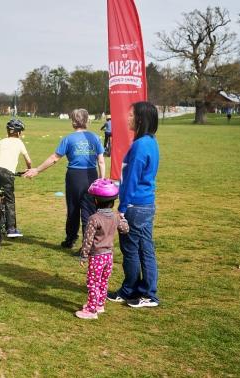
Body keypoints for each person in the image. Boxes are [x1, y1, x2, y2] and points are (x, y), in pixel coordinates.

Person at [24, 109, 106, 249]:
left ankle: (70, 239)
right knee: (89, 211)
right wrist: (101, 180)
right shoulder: (95, 138)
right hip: (91, 176)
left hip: (74, 177)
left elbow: (54, 158)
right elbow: (101, 161)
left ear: (73, 122)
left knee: (73, 209)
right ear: (87, 121)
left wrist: (37, 170)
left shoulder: (68, 139)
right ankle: (88, 245)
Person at [107, 101, 160, 308]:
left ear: (140, 119)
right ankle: (147, 292)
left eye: (131, 115)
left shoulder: (140, 145)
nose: (127, 118)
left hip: (135, 206)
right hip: (146, 204)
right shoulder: (151, 141)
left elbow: (131, 180)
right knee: (145, 249)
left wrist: (122, 208)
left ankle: (130, 290)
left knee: (131, 250)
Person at [75, 179, 129, 319]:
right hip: (109, 257)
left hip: (97, 256)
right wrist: (123, 219)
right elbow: (125, 229)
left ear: (96, 201)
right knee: (103, 281)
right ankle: (99, 305)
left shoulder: (94, 218)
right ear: (113, 201)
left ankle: (91, 311)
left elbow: (88, 240)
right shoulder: (116, 217)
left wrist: (84, 255)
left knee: (93, 282)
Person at [0, 119, 32, 237]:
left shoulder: (1, 141)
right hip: (7, 172)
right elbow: (28, 160)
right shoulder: (19, 142)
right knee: (10, 199)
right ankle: (11, 229)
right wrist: (29, 169)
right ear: (18, 133)